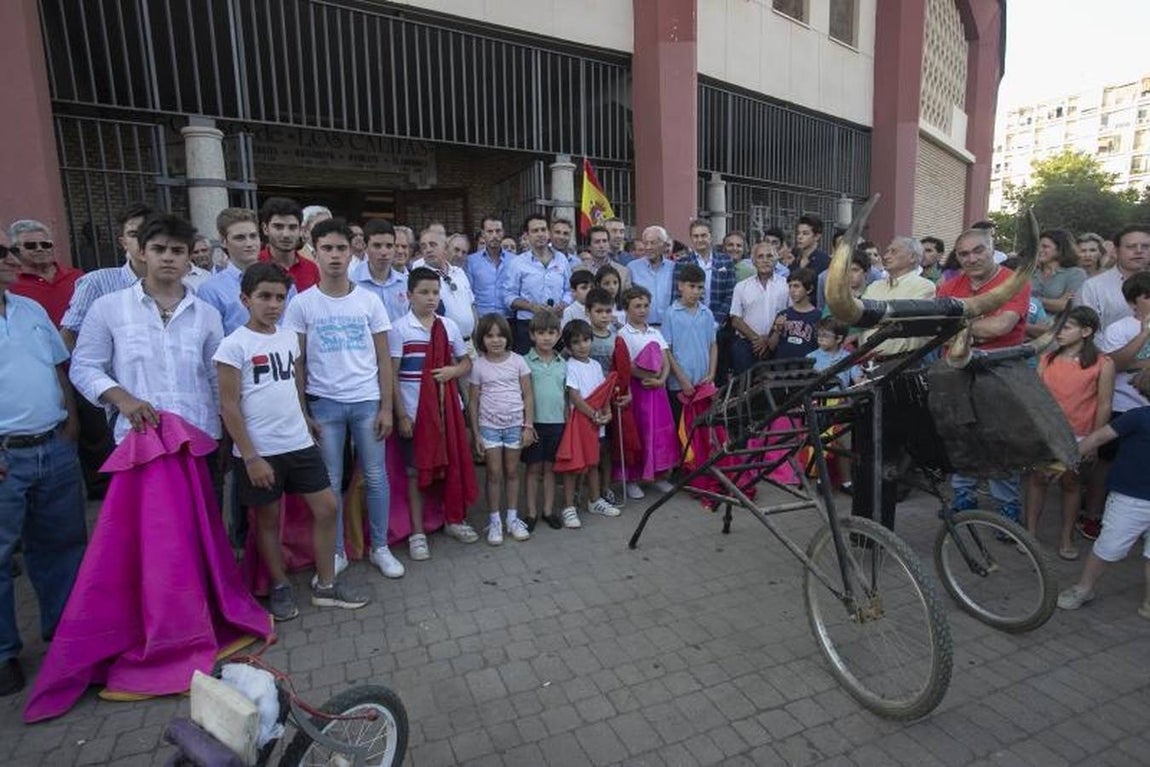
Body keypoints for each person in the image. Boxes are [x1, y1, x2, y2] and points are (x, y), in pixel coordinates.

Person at [215, 263, 370, 619]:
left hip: (298, 442)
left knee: (328, 507)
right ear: (245, 299)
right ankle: (280, 585)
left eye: (279, 297)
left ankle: (326, 585)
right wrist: (251, 457)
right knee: (268, 521)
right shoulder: (232, 345)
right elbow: (228, 404)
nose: (273, 304)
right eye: (264, 297)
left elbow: (291, 385)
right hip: (260, 452)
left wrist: (305, 418)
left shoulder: (287, 337)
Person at [284, 218, 401, 580]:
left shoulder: (369, 302)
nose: (335, 256)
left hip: (367, 402)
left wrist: (386, 407)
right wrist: (303, 411)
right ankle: (335, 552)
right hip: (324, 406)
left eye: (341, 248)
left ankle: (380, 547)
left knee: (376, 477)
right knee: (329, 481)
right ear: (314, 251)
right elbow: (296, 363)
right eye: (327, 249)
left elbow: (384, 358)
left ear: (354, 251)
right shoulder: (302, 304)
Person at [0, 231, 86, 697]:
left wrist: (71, 420)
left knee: (62, 544)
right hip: (4, 455)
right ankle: (3, 653)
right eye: (4, 252)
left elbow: (58, 367)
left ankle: (63, 630)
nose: (12, 259)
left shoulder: (29, 309)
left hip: (53, 445)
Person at [70, 213, 224, 447]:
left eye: (177, 251)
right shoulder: (109, 307)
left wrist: (222, 431)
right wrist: (123, 399)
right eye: (158, 249)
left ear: (188, 258)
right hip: (139, 436)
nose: (167, 258)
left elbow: (216, 377)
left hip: (198, 434)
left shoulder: (207, 314)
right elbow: (84, 366)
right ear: (142, 252)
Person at [938, 227, 1031, 523]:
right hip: (957, 371)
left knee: (999, 440)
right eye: (964, 253)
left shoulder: (1013, 280)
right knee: (961, 435)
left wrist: (960, 328)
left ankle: (1007, 510)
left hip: (999, 371)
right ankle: (963, 497)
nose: (971, 258)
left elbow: (1000, 327)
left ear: (993, 249)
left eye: (978, 250)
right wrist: (973, 327)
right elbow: (937, 329)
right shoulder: (949, 286)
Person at [390, 267, 477, 559]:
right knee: (416, 472)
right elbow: (392, 376)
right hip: (415, 413)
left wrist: (453, 370)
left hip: (446, 412)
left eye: (435, 292)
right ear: (409, 294)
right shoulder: (399, 328)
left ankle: (454, 519)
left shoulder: (448, 326)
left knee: (452, 466)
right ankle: (417, 532)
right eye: (424, 292)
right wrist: (401, 415)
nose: (430, 298)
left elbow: (466, 362)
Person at [1056, 374, 1150, 619]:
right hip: (1130, 498)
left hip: (1132, 497)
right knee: (1108, 546)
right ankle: (1084, 587)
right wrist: (1066, 459)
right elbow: (1098, 437)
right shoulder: (1138, 417)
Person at [1024, 307, 1114, 560]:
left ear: (1086, 332)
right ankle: (1029, 534)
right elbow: (1037, 397)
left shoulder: (1102, 364)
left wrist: (1094, 441)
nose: (1058, 333)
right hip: (1046, 432)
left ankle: (1066, 537)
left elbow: (1104, 404)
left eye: (1065, 327)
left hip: (1078, 435)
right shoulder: (1048, 359)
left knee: (1071, 483)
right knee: (1037, 479)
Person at [467, 313, 535, 545]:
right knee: (494, 474)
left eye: (500, 335)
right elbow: (473, 402)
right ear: (481, 339)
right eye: (489, 336)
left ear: (507, 337)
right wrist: (476, 434)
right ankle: (494, 520)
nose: (495, 340)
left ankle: (512, 518)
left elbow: (528, 395)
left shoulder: (518, 361)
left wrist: (528, 426)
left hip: (515, 425)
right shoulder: (478, 366)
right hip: (489, 427)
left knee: (513, 472)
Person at [59, 201, 155, 348]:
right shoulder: (96, 283)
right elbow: (69, 337)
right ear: (123, 243)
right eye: (134, 234)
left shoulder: (181, 285)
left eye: (150, 233)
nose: (142, 241)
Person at [557, 319, 622, 524]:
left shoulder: (595, 365)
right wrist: (593, 415)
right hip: (579, 422)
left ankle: (594, 501)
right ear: (568, 346)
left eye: (586, 340)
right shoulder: (570, 366)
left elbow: (603, 393)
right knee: (573, 465)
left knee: (593, 462)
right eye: (576, 342)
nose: (582, 345)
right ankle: (568, 507)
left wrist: (607, 412)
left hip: (597, 422)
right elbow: (575, 396)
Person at [618, 286, 678, 499]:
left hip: (657, 391)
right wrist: (646, 377)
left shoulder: (655, 331)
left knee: (659, 433)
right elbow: (627, 365)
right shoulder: (623, 334)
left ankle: (659, 476)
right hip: (639, 390)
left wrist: (661, 379)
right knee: (640, 433)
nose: (642, 310)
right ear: (626, 308)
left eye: (645, 305)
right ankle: (633, 479)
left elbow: (665, 358)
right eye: (637, 306)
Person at [197, 208, 278, 335]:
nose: (249, 243)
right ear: (224, 242)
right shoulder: (211, 290)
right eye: (240, 238)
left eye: (253, 236)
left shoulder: (279, 279)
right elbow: (211, 340)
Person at [520, 311, 566, 530]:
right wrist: (526, 424)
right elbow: (520, 395)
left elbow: (566, 396)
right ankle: (531, 513)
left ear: (558, 335)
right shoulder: (524, 362)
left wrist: (567, 423)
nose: (546, 338)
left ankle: (548, 511)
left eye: (551, 333)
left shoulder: (562, 363)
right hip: (534, 424)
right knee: (532, 469)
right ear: (532, 335)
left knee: (550, 469)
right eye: (541, 333)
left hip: (558, 424)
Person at [858, 238, 937, 359]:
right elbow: (861, 318)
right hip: (868, 362)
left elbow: (904, 323)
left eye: (893, 251)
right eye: (887, 251)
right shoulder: (874, 286)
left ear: (912, 257)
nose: (885, 256)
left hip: (903, 363)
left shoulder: (924, 287)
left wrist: (875, 320)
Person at [504, 214, 570, 353]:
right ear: (527, 236)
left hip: (556, 324)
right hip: (528, 325)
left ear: (549, 233)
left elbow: (569, 290)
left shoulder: (561, 259)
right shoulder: (517, 263)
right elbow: (508, 296)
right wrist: (531, 307)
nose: (540, 234)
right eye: (535, 231)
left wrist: (563, 305)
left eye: (543, 229)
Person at [663, 264, 718, 428]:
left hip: (703, 383)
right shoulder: (671, 314)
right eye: (691, 286)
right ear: (680, 286)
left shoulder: (706, 313)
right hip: (680, 385)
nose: (696, 292)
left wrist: (711, 374)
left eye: (700, 287)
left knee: (702, 428)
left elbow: (713, 345)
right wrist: (682, 380)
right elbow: (667, 351)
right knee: (682, 429)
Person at [1074, 224, 1150, 331]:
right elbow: (1084, 329)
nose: (1139, 251)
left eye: (1145, 246)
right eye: (1131, 246)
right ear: (1115, 251)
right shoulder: (1093, 287)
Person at [7, 219, 83, 327]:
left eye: (45, 244)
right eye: (31, 246)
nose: (40, 249)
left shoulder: (77, 277)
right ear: (15, 250)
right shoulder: (9, 284)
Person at [730, 242, 790, 375]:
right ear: (753, 261)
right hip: (747, 345)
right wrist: (757, 340)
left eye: (769, 256)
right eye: (760, 256)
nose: (765, 260)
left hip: (777, 344)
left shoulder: (786, 285)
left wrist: (770, 339)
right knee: (745, 388)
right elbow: (735, 319)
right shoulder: (741, 286)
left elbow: (790, 313)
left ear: (776, 260)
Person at [413, 227, 478, 342]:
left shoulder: (459, 272)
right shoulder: (419, 275)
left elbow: (471, 306)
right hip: (442, 345)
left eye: (433, 245)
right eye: (424, 246)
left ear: (445, 248)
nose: (428, 250)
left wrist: (477, 339)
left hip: (468, 344)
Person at [674, 219, 736, 329]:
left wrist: (717, 321)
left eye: (703, 235)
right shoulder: (682, 263)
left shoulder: (726, 261)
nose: (700, 239)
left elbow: (730, 294)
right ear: (691, 238)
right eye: (695, 236)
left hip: (719, 324)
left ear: (710, 236)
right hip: (690, 323)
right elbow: (677, 294)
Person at [350, 219, 409, 322]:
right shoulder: (352, 282)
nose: (384, 252)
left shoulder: (405, 283)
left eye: (389, 246)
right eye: (377, 246)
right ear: (365, 246)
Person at [258, 197, 320, 292]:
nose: (286, 234)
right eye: (278, 227)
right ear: (265, 229)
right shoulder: (255, 264)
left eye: (292, 227)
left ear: (300, 230)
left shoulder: (311, 269)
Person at [465, 215, 515, 319]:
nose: (494, 235)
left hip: (508, 319)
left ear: (503, 232)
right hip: (482, 319)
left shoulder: (514, 261)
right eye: (490, 231)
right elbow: (468, 294)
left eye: (498, 231)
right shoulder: (471, 261)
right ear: (483, 234)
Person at [768, 268, 821, 360]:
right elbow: (771, 347)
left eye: (796, 286)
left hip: (807, 368)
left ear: (809, 289)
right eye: (790, 286)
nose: (792, 290)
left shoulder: (818, 316)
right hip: (782, 367)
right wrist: (777, 330)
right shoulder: (783, 314)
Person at [628, 226, 676, 326]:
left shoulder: (673, 268)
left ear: (663, 245)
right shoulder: (632, 268)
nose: (648, 247)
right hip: (641, 327)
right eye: (646, 243)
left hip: (667, 326)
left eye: (653, 243)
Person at [1032, 228, 1087, 315]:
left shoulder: (1075, 274)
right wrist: (1053, 302)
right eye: (1038, 246)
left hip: (1059, 325)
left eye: (1045, 247)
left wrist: (1031, 300)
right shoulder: (1032, 272)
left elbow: (1064, 305)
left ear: (1059, 249)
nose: (1039, 250)